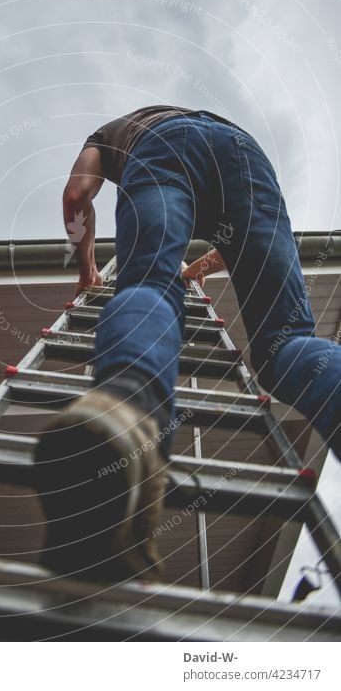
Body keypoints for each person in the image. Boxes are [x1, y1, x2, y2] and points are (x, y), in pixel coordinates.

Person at [35, 105, 341, 583]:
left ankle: (128, 411)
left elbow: (77, 195)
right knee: (289, 342)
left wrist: (87, 269)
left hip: (160, 148)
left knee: (150, 287)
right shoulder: (227, 136)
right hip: (249, 159)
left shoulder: (109, 133)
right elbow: (240, 241)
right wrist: (198, 270)